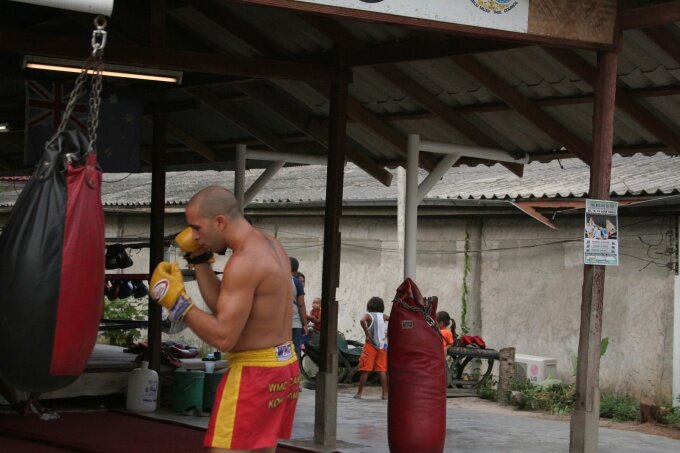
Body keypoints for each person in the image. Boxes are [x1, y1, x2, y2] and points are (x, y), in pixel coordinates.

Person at [149, 186, 298, 452]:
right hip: (283, 368)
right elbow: (224, 306)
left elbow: (224, 337)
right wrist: (199, 259)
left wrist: (177, 303)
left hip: (254, 372)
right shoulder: (269, 243)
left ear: (220, 221)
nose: (193, 235)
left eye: (197, 227)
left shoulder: (243, 262)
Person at [354, 296, 389, 400]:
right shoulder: (384, 316)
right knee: (382, 370)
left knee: (365, 369)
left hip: (370, 345)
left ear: (369, 305)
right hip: (382, 347)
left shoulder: (368, 315)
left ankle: (359, 393)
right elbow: (394, 320)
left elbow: (361, 320)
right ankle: (384, 394)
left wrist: (367, 332)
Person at [289, 257, 308, 362]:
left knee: (282, 352)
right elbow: (301, 305)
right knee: (295, 352)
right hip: (295, 324)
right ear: (296, 270)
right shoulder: (296, 283)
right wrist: (305, 324)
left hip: (280, 325)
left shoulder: (275, 281)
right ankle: (294, 375)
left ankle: (283, 376)